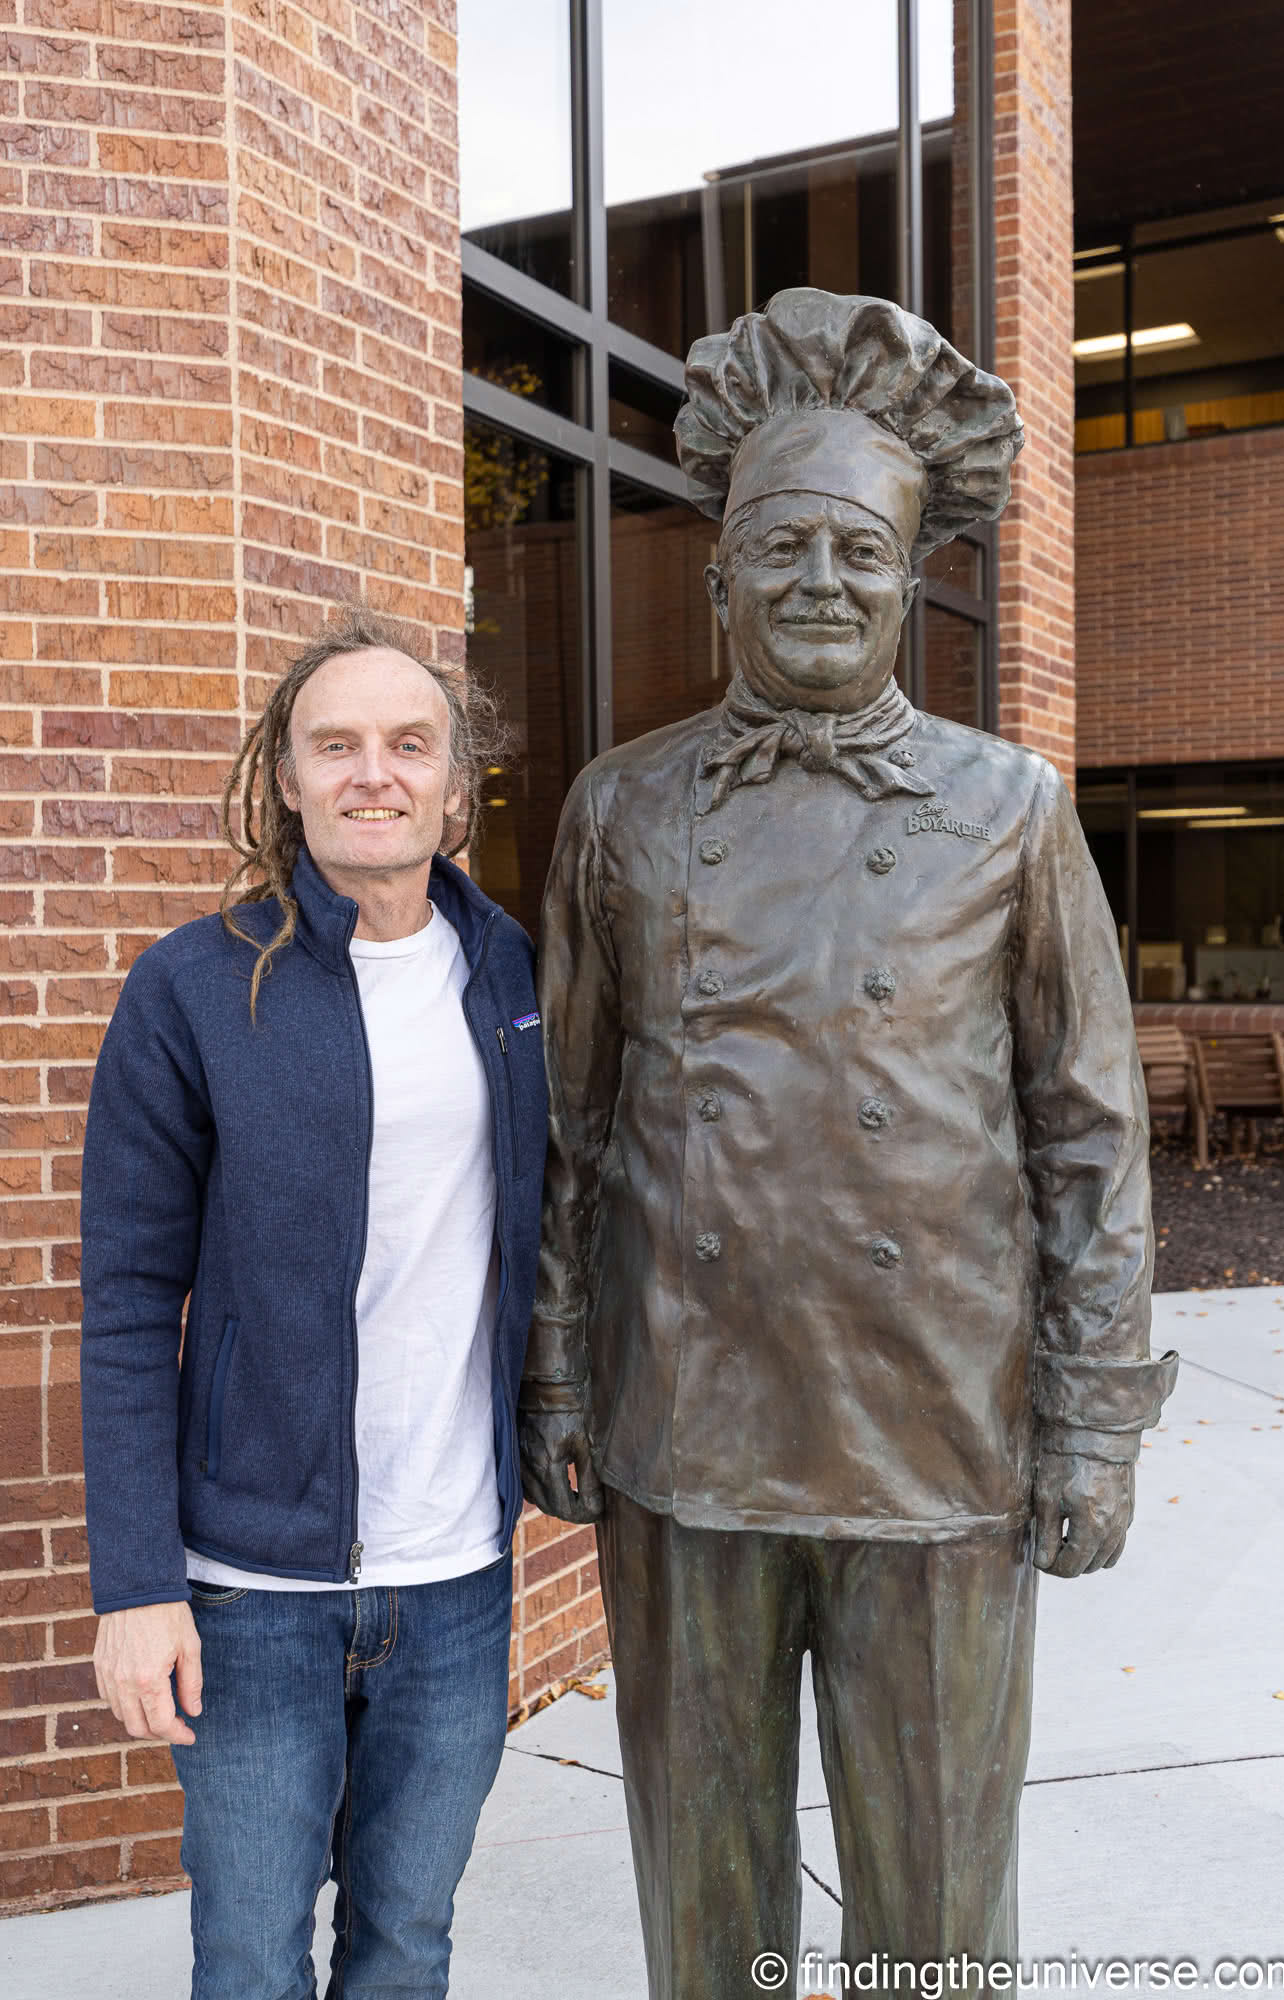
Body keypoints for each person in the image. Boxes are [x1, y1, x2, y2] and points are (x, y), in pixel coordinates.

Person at [519, 290, 1179, 1997]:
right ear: (723, 575)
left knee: (939, 1897)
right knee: (706, 1883)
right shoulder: (622, 806)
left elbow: (1090, 1141)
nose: (819, 585)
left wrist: (1092, 1424)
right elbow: (569, 1133)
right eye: (781, 550)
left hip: (936, 1431)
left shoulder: (1012, 810)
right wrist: (561, 1375)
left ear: (908, 581)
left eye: (856, 556)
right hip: (688, 1427)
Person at [79, 608, 547, 1998]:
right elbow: (122, 1305)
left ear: (457, 782)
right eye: (333, 744)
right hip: (251, 1593)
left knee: (407, 1944)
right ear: (285, 777)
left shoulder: (509, 974)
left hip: (456, 1572)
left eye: (408, 744)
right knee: (249, 1960)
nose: (371, 774)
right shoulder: (191, 988)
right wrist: (137, 1587)